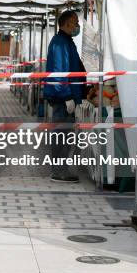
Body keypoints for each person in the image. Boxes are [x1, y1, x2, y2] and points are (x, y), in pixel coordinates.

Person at [44, 10, 86, 183]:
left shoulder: (66, 41)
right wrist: (67, 96)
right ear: (67, 23)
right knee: (62, 134)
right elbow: (60, 71)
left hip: (67, 95)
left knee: (65, 134)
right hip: (62, 97)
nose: (78, 26)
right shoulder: (61, 43)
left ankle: (60, 168)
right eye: (75, 22)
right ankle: (58, 171)